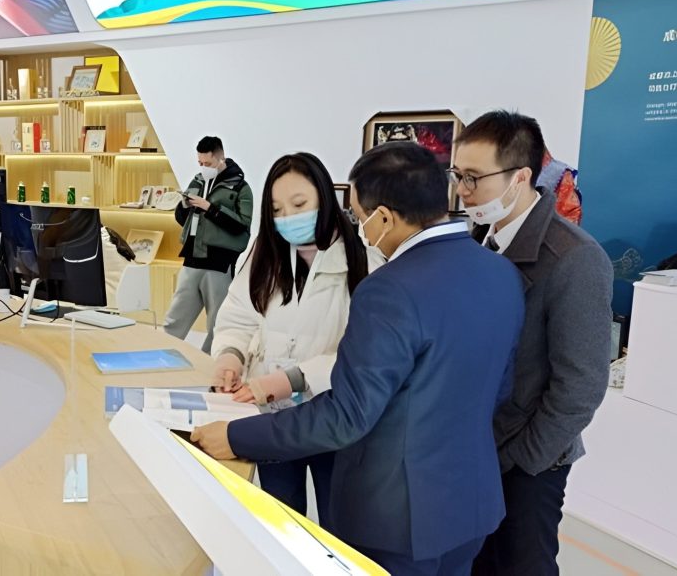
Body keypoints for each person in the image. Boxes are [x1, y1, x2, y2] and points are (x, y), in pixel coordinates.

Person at [193, 142, 526, 574]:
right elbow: (498, 389)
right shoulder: (500, 272)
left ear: (383, 217)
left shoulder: (388, 285)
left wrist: (236, 437)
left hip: (398, 517)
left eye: (361, 215)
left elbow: (348, 414)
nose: (362, 228)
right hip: (467, 504)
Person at [451, 111, 614, 576]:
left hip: (529, 462)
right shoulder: (475, 243)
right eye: (457, 175)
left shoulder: (575, 258)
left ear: (521, 177)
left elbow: (580, 387)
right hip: (477, 446)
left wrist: (524, 462)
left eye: (474, 178)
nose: (462, 190)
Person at [210, 152, 368, 524]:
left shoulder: (363, 260)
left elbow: (363, 352)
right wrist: (230, 356)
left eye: (299, 205)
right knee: (280, 517)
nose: (288, 218)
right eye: (277, 210)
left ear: (324, 198)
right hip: (272, 416)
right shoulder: (264, 254)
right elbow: (238, 317)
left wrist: (294, 379)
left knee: (338, 522)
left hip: (331, 417)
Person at [163, 136, 252, 353]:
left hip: (219, 265)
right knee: (175, 317)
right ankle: (161, 355)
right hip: (192, 259)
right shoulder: (197, 181)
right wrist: (184, 206)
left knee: (217, 322)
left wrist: (209, 208)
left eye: (208, 163)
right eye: (200, 163)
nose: (203, 167)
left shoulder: (240, 187)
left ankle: (210, 363)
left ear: (221, 158)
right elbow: (182, 219)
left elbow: (241, 227)